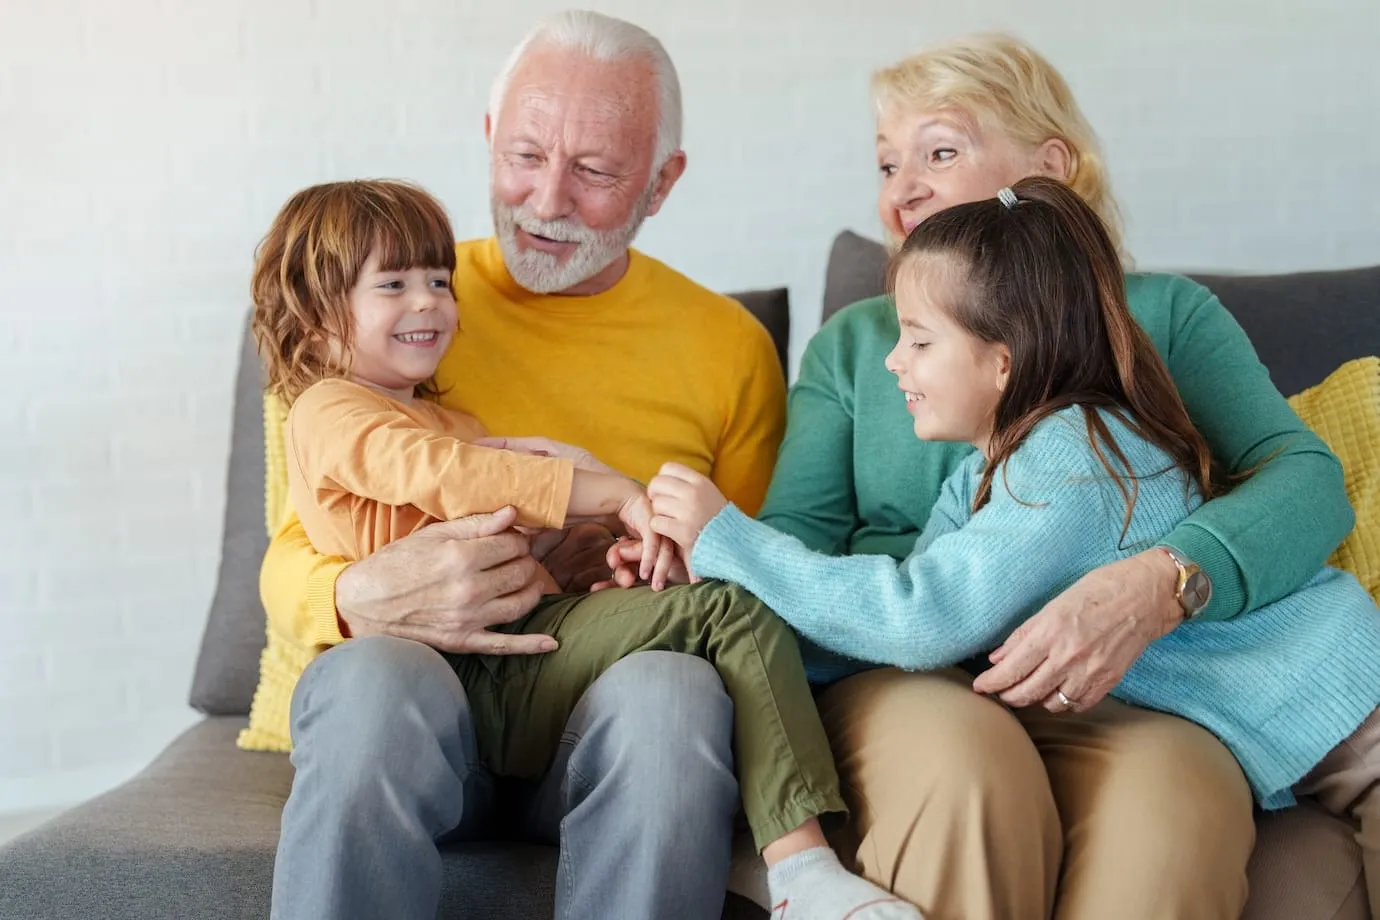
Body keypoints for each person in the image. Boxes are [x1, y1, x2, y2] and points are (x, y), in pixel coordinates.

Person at [609, 33, 1357, 920]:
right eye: (888, 163)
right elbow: (867, 580)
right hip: (908, 660)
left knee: (1176, 796)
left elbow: (1306, 480)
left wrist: (1161, 582)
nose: (902, 189)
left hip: (1117, 673)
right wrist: (713, 562)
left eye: (940, 150)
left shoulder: (1132, 356)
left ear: (1052, 169)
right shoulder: (859, 352)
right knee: (969, 765)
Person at [254, 177, 918, 920]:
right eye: (395, 285)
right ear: (313, 319)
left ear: (661, 176)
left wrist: (599, 553)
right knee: (726, 611)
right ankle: (801, 867)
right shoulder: (329, 408)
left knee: (692, 651)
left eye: (438, 281)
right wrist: (608, 489)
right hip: (443, 688)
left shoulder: (460, 421)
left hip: (524, 673)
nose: (430, 301)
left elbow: (511, 531)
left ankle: (799, 867)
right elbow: (444, 478)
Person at [249, 12, 787, 920]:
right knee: (373, 676)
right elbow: (290, 548)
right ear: (490, 136)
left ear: (663, 182)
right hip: (416, 713)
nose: (546, 201)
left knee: (677, 687)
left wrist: (611, 560)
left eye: (596, 171)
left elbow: (739, 571)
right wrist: (348, 599)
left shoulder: (730, 350)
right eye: (527, 156)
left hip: (583, 707)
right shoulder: (365, 312)